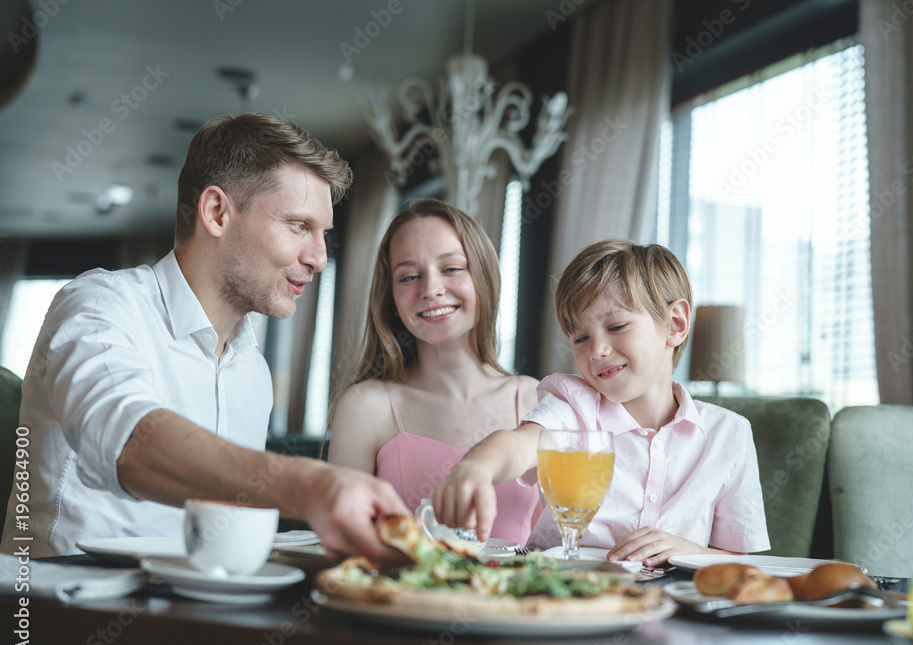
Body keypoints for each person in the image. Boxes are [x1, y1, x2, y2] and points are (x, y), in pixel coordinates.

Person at [0, 113, 408, 560]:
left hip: (192, 611)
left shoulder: (253, 370)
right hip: (61, 611)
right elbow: (130, 442)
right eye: (298, 226)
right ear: (216, 213)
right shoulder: (101, 307)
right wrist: (309, 484)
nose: (319, 259)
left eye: (323, 234)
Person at [432, 239, 770, 567]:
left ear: (675, 323)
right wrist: (475, 468)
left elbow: (738, 562)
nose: (596, 351)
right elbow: (518, 445)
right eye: (580, 338)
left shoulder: (730, 435)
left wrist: (686, 552)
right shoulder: (574, 406)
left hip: (670, 609)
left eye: (617, 326)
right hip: (560, 597)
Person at [326, 199, 540, 546]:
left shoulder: (535, 399)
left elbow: (558, 545)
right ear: (391, 297)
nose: (431, 290)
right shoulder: (365, 406)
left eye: (452, 268)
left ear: (483, 274)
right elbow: (342, 545)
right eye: (409, 277)